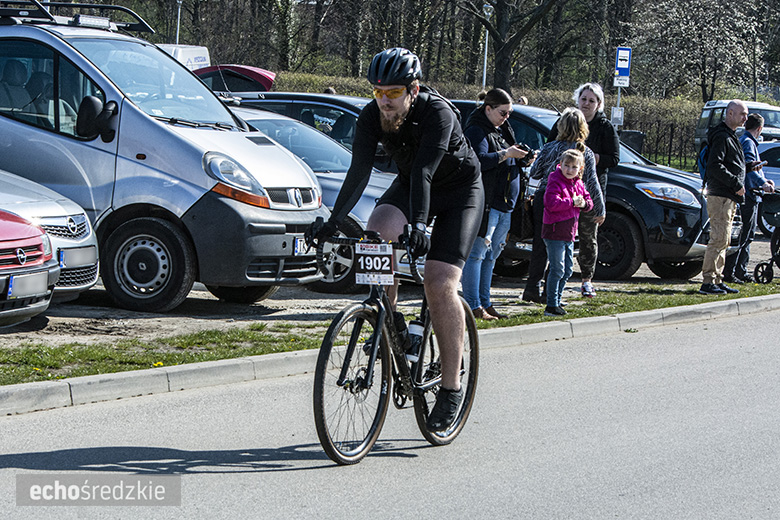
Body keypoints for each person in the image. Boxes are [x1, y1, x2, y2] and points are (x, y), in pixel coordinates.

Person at [306, 48, 483, 432]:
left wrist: (418, 225)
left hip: (459, 192)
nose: (384, 101)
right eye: (378, 92)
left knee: (439, 282)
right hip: (411, 186)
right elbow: (358, 171)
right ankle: (391, 321)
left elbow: (424, 171)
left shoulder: (437, 114)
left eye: (393, 93)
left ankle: (451, 386)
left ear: (413, 90)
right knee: (376, 231)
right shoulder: (372, 116)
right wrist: (333, 222)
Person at [461, 88, 533, 320]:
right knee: (477, 254)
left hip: (505, 205)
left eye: (509, 113)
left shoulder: (501, 129)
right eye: (503, 113)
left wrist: (523, 157)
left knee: (491, 256)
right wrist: (507, 154)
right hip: (487, 203)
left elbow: (509, 156)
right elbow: (479, 162)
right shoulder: (477, 130)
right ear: (488, 109)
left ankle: (485, 302)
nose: (506, 117)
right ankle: (473, 305)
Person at [522, 107, 605, 303]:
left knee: (540, 245)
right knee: (559, 248)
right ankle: (550, 292)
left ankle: (532, 287)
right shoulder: (584, 153)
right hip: (568, 201)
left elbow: (535, 173)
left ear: (561, 126)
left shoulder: (549, 147)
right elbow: (592, 182)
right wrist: (600, 208)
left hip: (544, 197)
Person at [547, 83, 619, 298]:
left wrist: (594, 158)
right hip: (562, 192)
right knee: (558, 236)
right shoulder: (565, 121)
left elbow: (614, 158)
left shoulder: (605, 127)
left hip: (588, 191)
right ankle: (551, 280)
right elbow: (550, 148)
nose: (586, 104)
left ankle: (587, 280)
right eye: (583, 99)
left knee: (588, 236)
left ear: (599, 104)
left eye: (591, 100)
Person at [699, 100, 749, 295]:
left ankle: (717, 279)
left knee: (724, 240)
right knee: (718, 238)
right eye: (742, 114)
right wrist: (736, 184)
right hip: (720, 195)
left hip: (727, 196)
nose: (745, 118)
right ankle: (708, 281)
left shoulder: (730, 135)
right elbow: (715, 166)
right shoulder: (721, 136)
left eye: (746, 114)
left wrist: (748, 168)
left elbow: (730, 163)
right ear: (730, 113)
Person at [723, 113, 775, 284]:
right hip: (748, 194)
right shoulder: (748, 143)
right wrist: (762, 183)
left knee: (748, 235)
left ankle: (740, 270)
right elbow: (748, 168)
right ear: (759, 128)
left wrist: (765, 180)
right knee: (744, 235)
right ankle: (732, 271)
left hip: (750, 193)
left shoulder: (745, 140)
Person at [543, 148, 593, 316]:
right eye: (567, 165)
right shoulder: (555, 180)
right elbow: (551, 203)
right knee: (557, 269)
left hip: (570, 233)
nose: (569, 170)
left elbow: (589, 201)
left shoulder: (578, 183)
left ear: (580, 168)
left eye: (574, 167)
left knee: (567, 270)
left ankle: (557, 299)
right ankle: (551, 305)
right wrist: (571, 202)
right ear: (561, 164)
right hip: (555, 231)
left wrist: (584, 204)